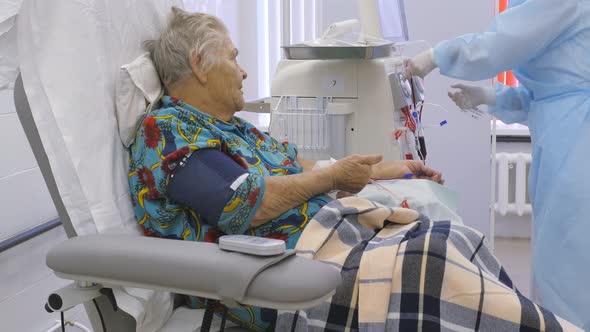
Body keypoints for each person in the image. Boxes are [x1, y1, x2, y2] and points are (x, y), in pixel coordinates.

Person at [128, 7, 443, 330]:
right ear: (199, 65)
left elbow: (297, 165)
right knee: (435, 268)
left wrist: (380, 170)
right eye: (233, 58)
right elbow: (244, 203)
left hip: (332, 245)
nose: (244, 71)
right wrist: (332, 178)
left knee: (446, 243)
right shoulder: (169, 131)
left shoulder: (235, 129)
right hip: (284, 271)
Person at [406, 0, 590, 328]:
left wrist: (436, 56)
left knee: (572, 262)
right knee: (559, 259)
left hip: (578, 142)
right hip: (566, 136)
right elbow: (548, 94)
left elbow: (502, 44)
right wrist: (492, 97)